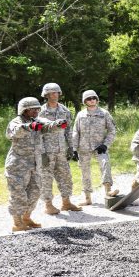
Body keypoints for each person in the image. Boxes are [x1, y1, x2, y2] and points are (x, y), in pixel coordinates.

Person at [5, 97, 63, 231]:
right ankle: (17, 223)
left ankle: (26, 217)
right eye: (33, 109)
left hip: (34, 164)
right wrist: (28, 127)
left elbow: (48, 125)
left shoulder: (37, 121)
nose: (37, 111)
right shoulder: (16, 122)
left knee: (35, 191)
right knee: (18, 193)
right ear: (24, 110)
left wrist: (58, 124)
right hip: (17, 165)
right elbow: (14, 132)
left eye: (38, 108)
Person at [39, 83, 82, 214]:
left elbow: (68, 131)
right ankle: (48, 204)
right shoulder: (40, 112)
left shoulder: (65, 111)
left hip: (61, 150)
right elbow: (37, 135)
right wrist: (42, 153)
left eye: (57, 93)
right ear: (46, 95)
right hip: (47, 151)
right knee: (46, 178)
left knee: (65, 176)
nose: (55, 95)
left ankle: (66, 202)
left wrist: (71, 148)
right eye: (52, 93)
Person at [72, 90, 118, 206]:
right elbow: (75, 132)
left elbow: (112, 130)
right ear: (85, 101)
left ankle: (108, 193)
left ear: (97, 99)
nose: (92, 100)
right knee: (85, 172)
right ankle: (87, 198)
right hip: (84, 148)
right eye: (89, 98)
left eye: (94, 98)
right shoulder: (80, 115)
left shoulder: (104, 113)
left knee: (105, 165)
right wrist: (74, 148)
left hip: (100, 147)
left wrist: (106, 144)